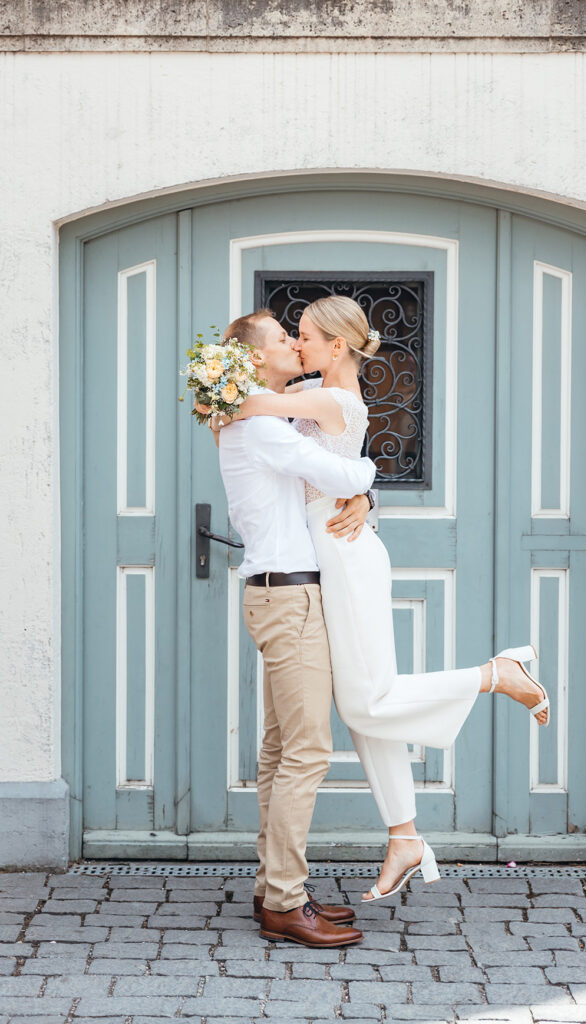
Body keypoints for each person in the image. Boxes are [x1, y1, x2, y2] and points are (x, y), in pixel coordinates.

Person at [212, 297, 550, 904]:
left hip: (340, 558)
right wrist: (365, 496)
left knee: (369, 700)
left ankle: (495, 675)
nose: (297, 343)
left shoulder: (318, 398)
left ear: (335, 346)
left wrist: (222, 398)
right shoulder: (312, 395)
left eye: (305, 336)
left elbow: (262, 408)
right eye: (290, 337)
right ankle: (404, 833)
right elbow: (309, 456)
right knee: (364, 701)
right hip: (323, 559)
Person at [211, 308, 376, 948]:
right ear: (255, 359)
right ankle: (284, 899)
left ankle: (275, 887)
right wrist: (364, 483)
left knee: (282, 751)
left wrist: (361, 489)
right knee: (306, 752)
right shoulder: (261, 428)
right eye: (284, 338)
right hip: (291, 600)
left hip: (278, 597)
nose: (292, 343)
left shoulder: (260, 416)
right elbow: (342, 472)